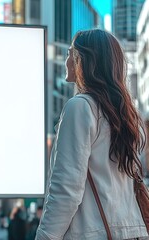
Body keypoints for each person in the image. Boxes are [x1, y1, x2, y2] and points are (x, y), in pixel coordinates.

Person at [35, 29, 149, 240]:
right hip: (133, 231)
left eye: (71, 53)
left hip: (93, 231)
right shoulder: (129, 116)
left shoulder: (80, 107)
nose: (67, 60)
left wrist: (45, 236)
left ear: (84, 60)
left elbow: (66, 187)